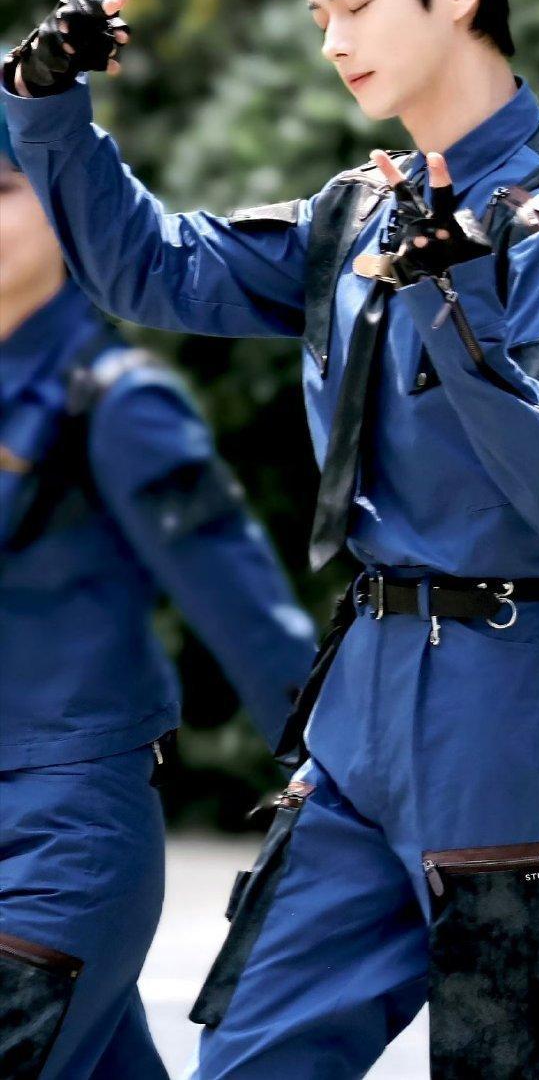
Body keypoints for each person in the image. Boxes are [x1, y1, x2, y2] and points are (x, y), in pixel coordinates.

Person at [1, 0, 539, 1080]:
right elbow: (153, 267)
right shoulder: (358, 213)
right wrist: (47, 104)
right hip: (360, 706)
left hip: (508, 702)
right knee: (252, 1058)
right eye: (320, 15)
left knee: (529, 1069)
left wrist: (450, 313)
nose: (333, 40)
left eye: (355, 2)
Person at [0, 110, 316, 1080]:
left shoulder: (117, 400)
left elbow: (245, 610)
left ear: (61, 212)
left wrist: (340, 759)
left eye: (1, 193)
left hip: (62, 842)